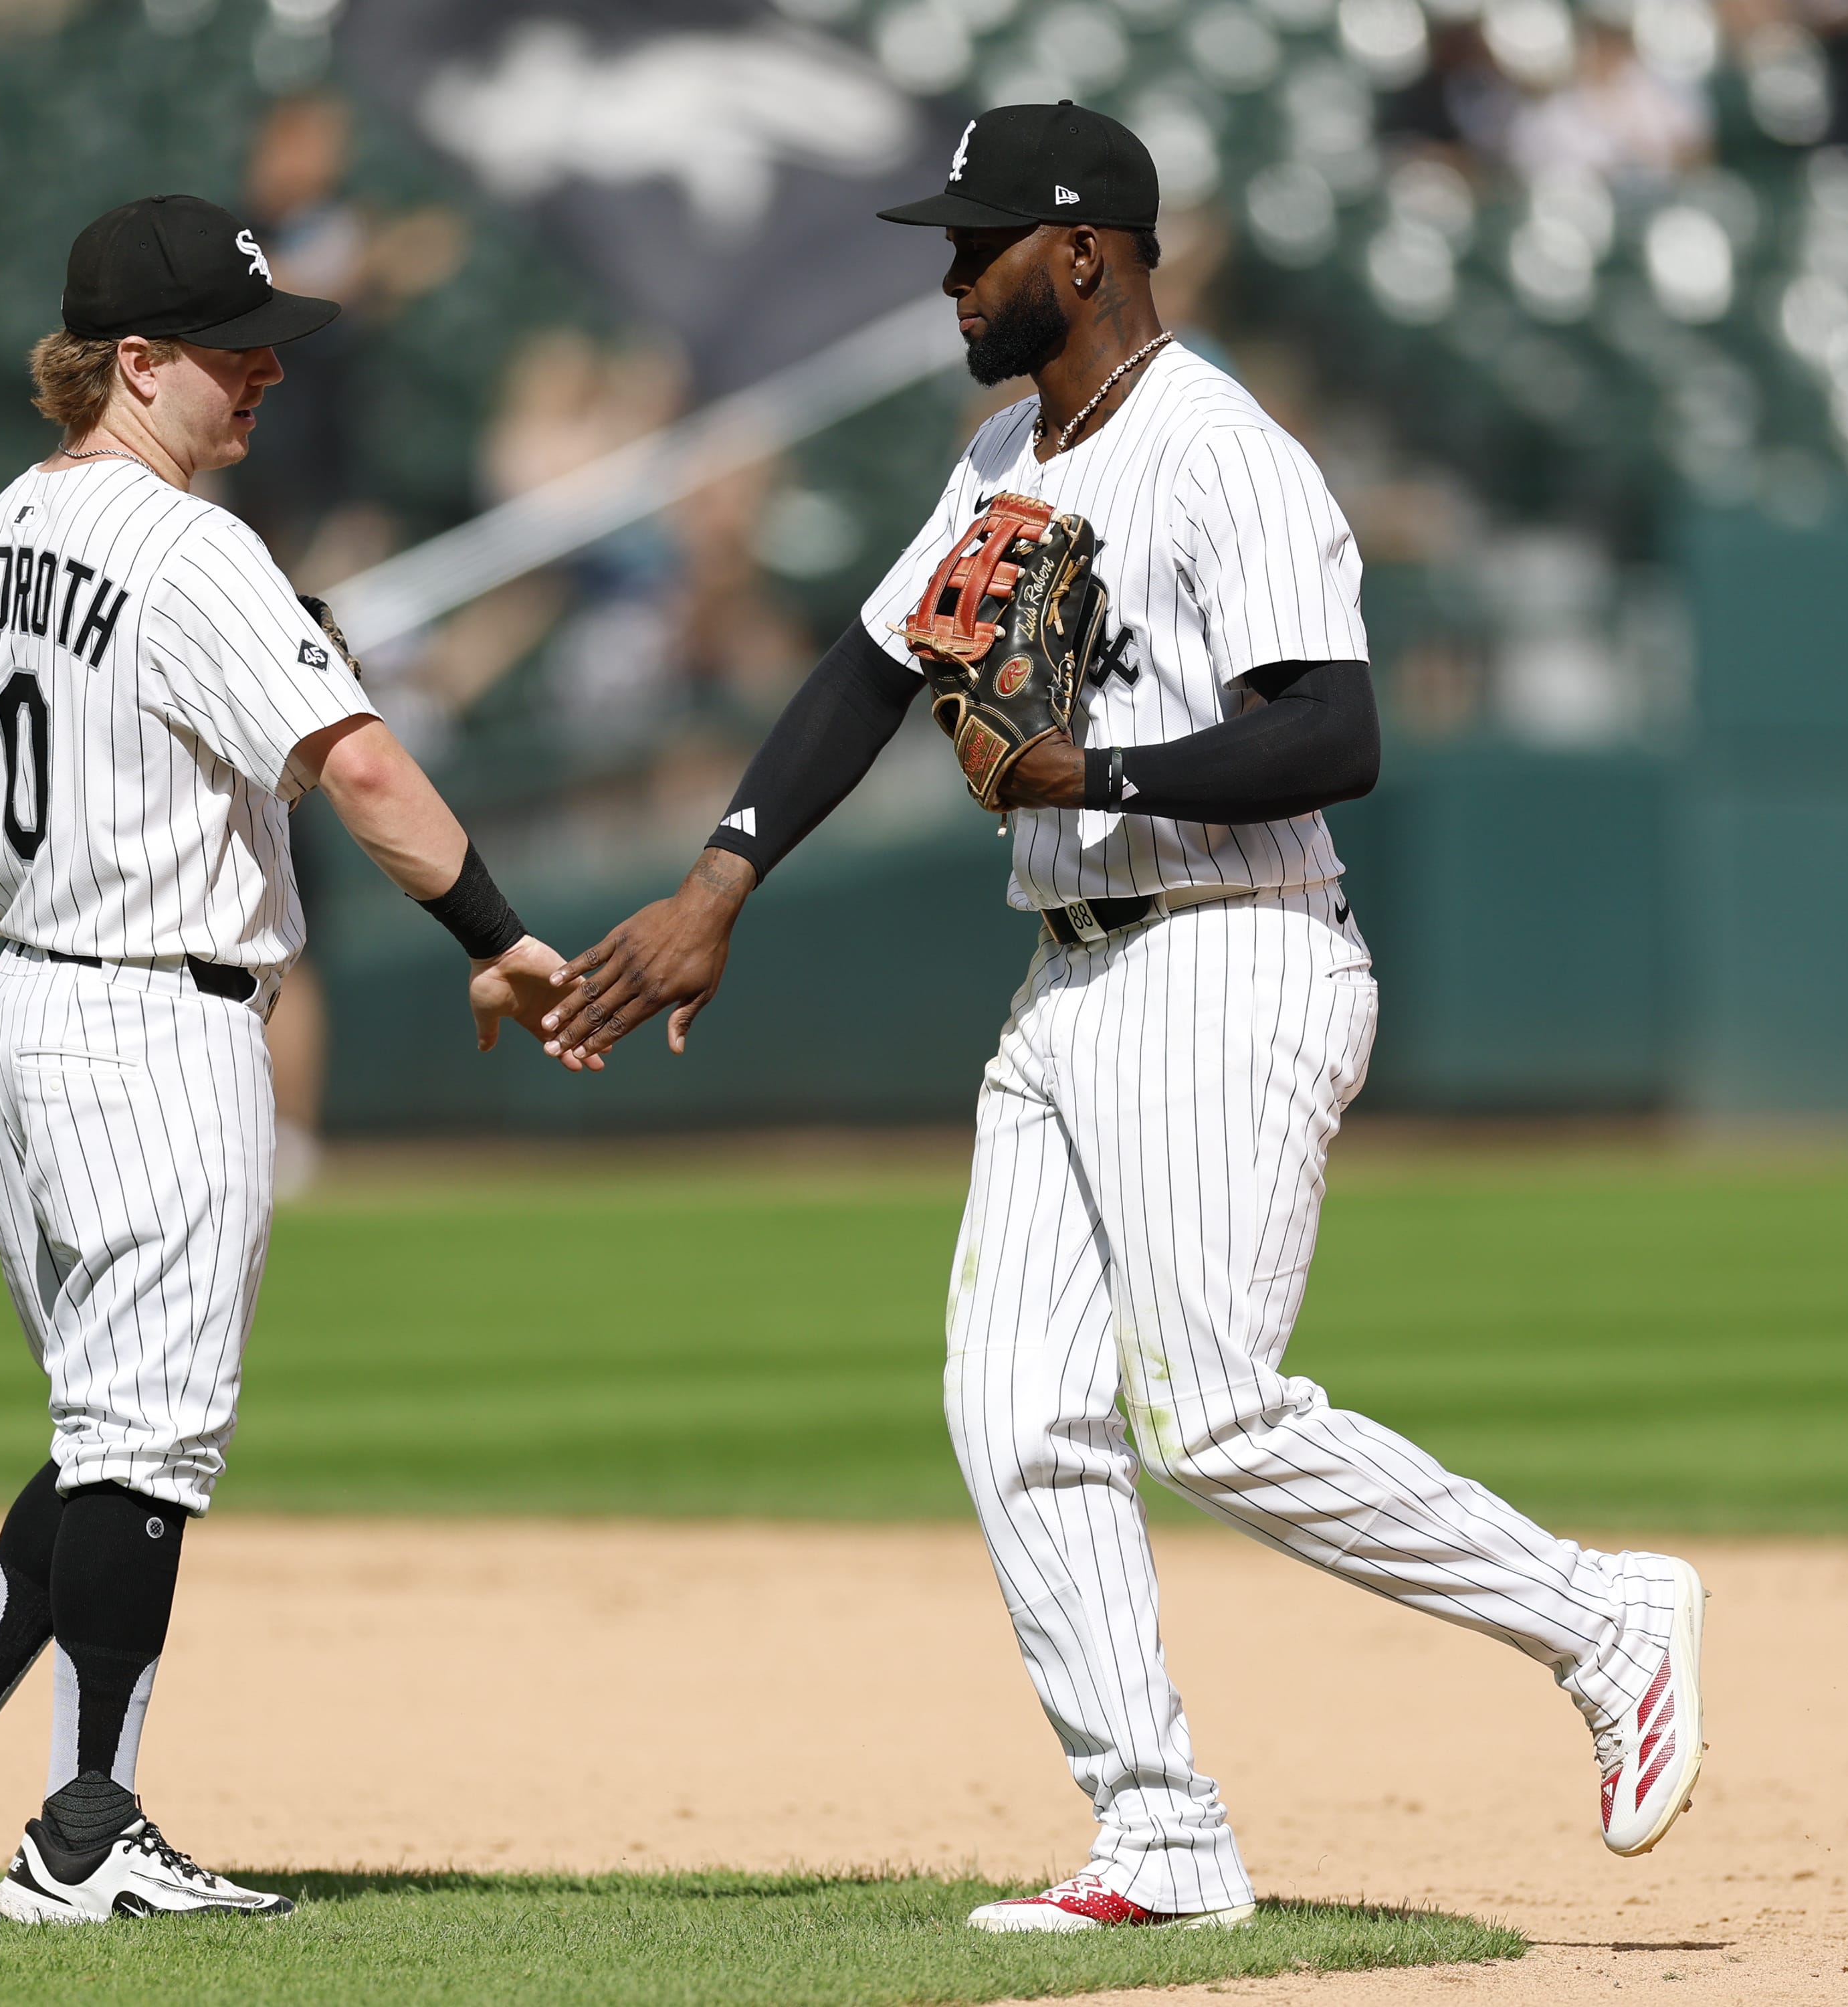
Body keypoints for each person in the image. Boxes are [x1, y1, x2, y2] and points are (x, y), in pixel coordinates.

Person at [541, 104, 1707, 1933]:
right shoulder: (1009, 446)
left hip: (1228, 949)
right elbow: (870, 666)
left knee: (1215, 1415)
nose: (947, 275)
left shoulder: (1219, 451)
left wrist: (1096, 759)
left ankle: (1601, 1617)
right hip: (1069, 975)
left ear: (1081, 252)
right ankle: (1157, 1830)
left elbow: (1335, 731)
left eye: (976, 244)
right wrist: (720, 880)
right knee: (1012, 1415)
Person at [0, 193, 574, 1925]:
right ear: (130, 365)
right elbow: (370, 774)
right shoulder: (190, 550)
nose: (267, 375)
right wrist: (502, 938)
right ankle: (87, 1835)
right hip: (155, 1016)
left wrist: (99, 801)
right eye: (234, 350)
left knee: (103, 1432)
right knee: (146, 1446)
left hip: (19, 1017)